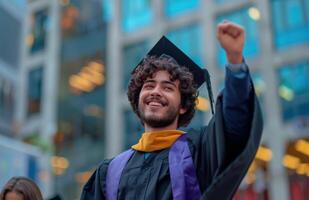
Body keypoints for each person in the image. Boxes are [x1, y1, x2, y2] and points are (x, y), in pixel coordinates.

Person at [80, 21, 263, 200]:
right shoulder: (110, 172)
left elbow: (234, 122)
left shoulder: (199, 151)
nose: (155, 92)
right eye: (149, 85)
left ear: (183, 106)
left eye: (167, 88)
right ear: (138, 99)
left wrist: (235, 61)